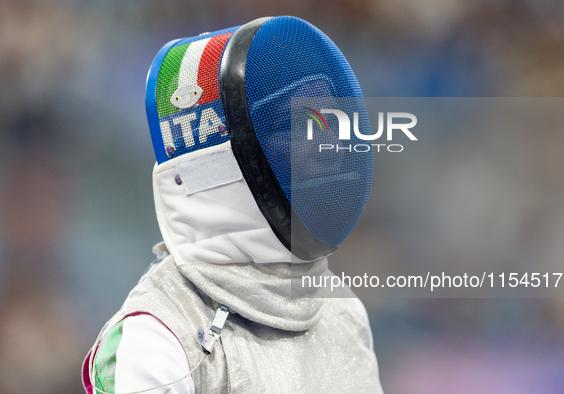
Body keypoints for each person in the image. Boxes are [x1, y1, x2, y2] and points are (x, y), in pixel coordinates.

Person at [82, 16, 383, 394]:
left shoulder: (341, 311)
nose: (332, 144)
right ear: (226, 162)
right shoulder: (157, 336)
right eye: (300, 123)